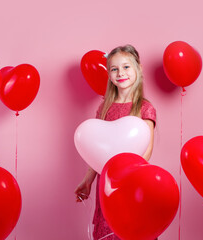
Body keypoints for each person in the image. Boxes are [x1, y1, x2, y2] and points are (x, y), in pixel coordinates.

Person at [75, 44, 156, 240]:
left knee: (132, 227)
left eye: (126, 67)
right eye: (114, 69)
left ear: (139, 68)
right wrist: (87, 181)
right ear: (110, 75)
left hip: (133, 181)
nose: (121, 73)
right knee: (109, 230)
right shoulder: (104, 108)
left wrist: (129, 179)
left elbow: (147, 148)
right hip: (107, 184)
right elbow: (96, 151)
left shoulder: (145, 108)